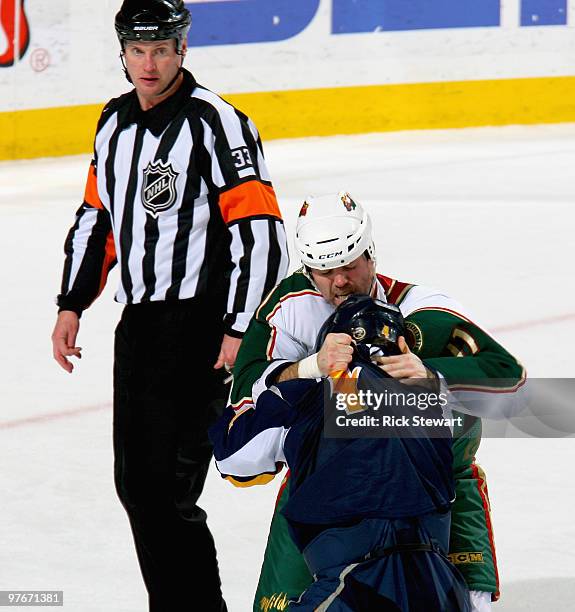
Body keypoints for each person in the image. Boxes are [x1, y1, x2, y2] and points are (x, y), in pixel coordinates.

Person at [50, 1, 289, 610]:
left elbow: (260, 233)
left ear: (182, 50)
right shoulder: (112, 124)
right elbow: (97, 218)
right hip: (141, 329)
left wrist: (242, 328)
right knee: (137, 486)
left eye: (160, 50)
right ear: (122, 52)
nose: (148, 64)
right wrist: (72, 302)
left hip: (202, 328)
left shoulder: (217, 122)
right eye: (137, 50)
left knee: (166, 492)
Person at [217, 192, 525, 611]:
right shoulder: (288, 310)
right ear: (307, 269)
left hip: (425, 494)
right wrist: (308, 370)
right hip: (331, 496)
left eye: (349, 265)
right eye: (324, 271)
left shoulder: (422, 311)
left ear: (371, 255)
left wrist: (431, 374)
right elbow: (241, 440)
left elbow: (509, 380)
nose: (339, 281)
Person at [210, 295, 472, 611]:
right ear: (403, 347)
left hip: (355, 585)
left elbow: (234, 460)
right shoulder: (434, 406)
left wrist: (302, 371)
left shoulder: (308, 397)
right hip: (442, 587)